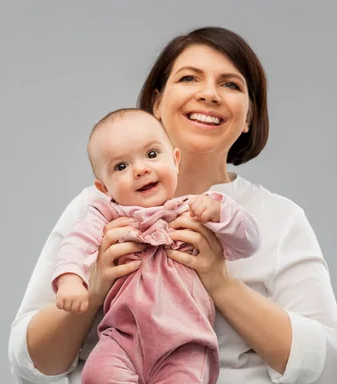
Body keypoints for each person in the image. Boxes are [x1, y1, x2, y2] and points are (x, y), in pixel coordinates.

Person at [8, 26, 337, 384]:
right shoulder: (97, 206)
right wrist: (93, 291)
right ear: (157, 102)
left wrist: (222, 284)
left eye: (231, 85)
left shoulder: (278, 219)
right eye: (189, 78)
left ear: (248, 116)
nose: (209, 94)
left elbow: (329, 369)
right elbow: (29, 364)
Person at [52, 108, 260, 383]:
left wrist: (221, 214)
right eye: (121, 167)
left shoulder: (196, 209)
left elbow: (248, 243)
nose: (141, 170)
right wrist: (70, 280)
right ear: (104, 188)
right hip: (121, 337)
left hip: (185, 342)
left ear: (175, 160)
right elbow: (77, 243)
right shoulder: (106, 216)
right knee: (96, 373)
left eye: (152, 155)